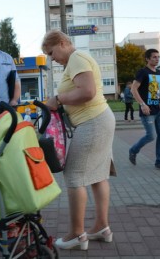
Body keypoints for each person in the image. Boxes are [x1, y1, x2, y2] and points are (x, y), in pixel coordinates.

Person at [41, 30, 116, 250]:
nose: (52, 58)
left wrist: (58, 99)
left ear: (63, 43)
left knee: (74, 176)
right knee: (98, 176)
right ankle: (102, 227)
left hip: (92, 122)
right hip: (100, 119)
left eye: (51, 52)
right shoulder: (78, 59)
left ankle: (76, 234)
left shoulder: (76, 58)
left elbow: (88, 91)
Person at [128, 49, 160, 170]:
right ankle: (133, 150)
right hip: (147, 110)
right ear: (147, 59)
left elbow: (157, 89)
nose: (157, 59)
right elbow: (134, 89)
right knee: (150, 135)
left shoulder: (159, 72)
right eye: (154, 57)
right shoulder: (142, 72)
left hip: (158, 110)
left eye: (158, 57)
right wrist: (143, 105)